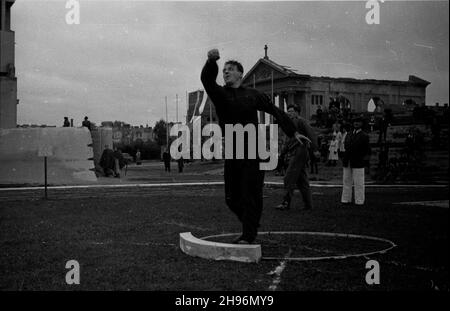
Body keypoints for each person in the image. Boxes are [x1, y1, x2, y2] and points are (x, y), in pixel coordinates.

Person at [201, 48, 305, 244]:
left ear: (240, 73)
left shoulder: (253, 94)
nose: (226, 72)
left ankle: (248, 234)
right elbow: (207, 80)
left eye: (230, 69)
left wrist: (293, 131)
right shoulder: (220, 94)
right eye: (224, 70)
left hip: (253, 150)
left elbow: (275, 110)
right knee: (231, 197)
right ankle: (251, 222)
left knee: (251, 194)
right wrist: (211, 62)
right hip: (234, 150)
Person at [275, 104, 319, 211]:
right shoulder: (289, 124)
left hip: (300, 151)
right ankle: (308, 205)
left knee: (288, 177)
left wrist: (315, 149)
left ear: (297, 112)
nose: (289, 113)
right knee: (302, 180)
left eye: (291, 111)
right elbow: (288, 141)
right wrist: (283, 153)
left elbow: (311, 134)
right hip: (294, 152)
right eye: (288, 111)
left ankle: (286, 203)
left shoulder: (301, 121)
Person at [341, 116, 370, 206]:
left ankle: (359, 200)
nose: (356, 123)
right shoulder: (349, 134)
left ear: (362, 123)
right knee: (346, 181)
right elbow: (345, 146)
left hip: (358, 160)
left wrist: (365, 162)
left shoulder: (364, 136)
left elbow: (367, 150)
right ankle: (346, 199)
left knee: (359, 182)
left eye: (358, 122)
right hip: (348, 160)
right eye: (355, 122)